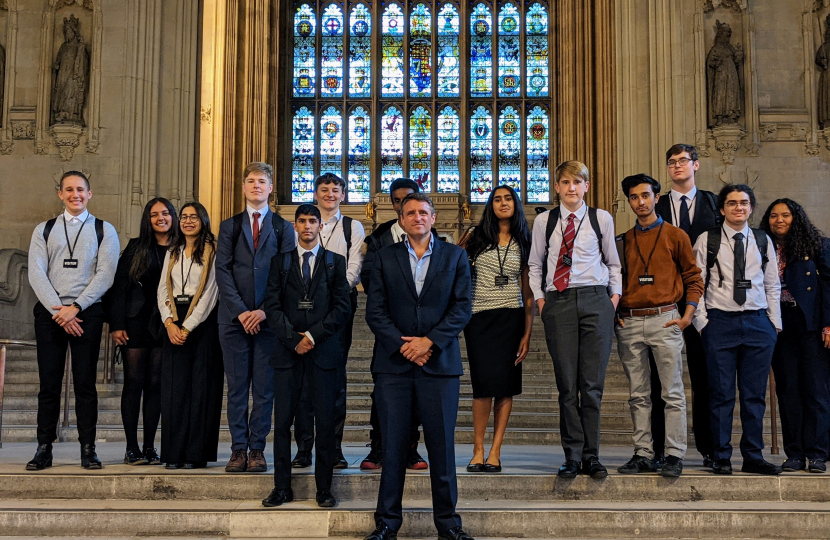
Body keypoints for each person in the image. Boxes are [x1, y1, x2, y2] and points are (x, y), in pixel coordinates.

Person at [364, 193, 473, 540]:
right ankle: (386, 524)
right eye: (410, 212)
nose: (417, 217)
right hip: (394, 367)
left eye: (423, 212)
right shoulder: (383, 258)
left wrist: (430, 342)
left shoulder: (455, 256)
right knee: (393, 448)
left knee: (441, 448)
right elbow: (375, 312)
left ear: (433, 216)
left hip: (439, 365)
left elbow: (462, 308)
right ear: (401, 218)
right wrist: (404, 345)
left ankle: (448, 525)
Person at [528, 160, 622, 479]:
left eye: (577, 182)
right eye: (565, 182)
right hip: (560, 302)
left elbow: (613, 263)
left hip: (596, 299)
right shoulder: (544, 221)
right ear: (557, 187)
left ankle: (592, 456)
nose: (571, 188)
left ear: (586, 186)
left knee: (592, 385)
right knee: (567, 385)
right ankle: (572, 455)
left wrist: (613, 300)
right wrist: (542, 300)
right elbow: (535, 265)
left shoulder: (601, 218)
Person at [26, 171, 119, 470]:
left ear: (90, 194)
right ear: (60, 194)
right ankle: (44, 448)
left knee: (85, 385)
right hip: (51, 312)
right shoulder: (44, 229)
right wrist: (59, 311)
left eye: (80, 189)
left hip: (87, 313)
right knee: (49, 385)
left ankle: (88, 449)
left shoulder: (105, 230)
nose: (74, 194)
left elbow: (106, 274)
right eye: (68, 189)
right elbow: (36, 272)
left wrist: (76, 307)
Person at [261, 204, 352, 508]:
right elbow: (271, 307)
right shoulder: (280, 263)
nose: (308, 226)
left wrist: (312, 336)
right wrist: (293, 339)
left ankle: (324, 489)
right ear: (295, 226)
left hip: (323, 352)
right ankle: (281, 488)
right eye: (302, 221)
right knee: (284, 421)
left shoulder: (335, 263)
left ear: (320, 226)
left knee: (324, 422)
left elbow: (342, 308)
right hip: (288, 354)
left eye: (313, 221)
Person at [614, 174, 704, 478]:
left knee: (672, 393)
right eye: (634, 197)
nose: (640, 202)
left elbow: (693, 278)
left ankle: (674, 454)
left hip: (665, 317)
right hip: (630, 321)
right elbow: (614, 281)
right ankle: (643, 453)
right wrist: (616, 313)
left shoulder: (676, 235)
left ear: (656, 197)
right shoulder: (623, 240)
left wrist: (688, 315)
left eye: (646, 195)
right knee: (638, 394)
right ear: (629, 202)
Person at [692, 184, 782, 476]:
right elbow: (698, 284)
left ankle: (753, 455)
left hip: (757, 323)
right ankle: (720, 456)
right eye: (732, 203)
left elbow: (771, 284)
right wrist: (703, 323)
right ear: (722, 209)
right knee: (721, 394)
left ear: (751, 207)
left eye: (744, 203)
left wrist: (774, 323)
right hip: (721, 323)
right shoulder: (708, 240)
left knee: (754, 396)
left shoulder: (762, 240)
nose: (738, 208)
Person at [216, 162, 296, 473]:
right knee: (237, 388)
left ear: (270, 188)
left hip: (268, 322)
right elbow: (222, 271)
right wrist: (241, 311)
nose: (256, 186)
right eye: (250, 181)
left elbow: (287, 273)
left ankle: (257, 450)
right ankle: (237, 449)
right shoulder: (230, 226)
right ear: (244, 187)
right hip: (234, 321)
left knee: (264, 389)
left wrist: (263, 310)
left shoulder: (282, 227)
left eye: (262, 181)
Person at [651, 144, 719, 467]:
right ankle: (661, 448)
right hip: (664, 299)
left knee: (704, 376)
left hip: (704, 301)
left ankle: (709, 447)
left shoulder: (715, 204)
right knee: (659, 378)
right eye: (672, 162)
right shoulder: (656, 204)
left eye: (683, 161)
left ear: (696, 165)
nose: (677, 166)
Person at [292, 173, 365, 470]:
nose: (330, 195)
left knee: (335, 381)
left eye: (336, 190)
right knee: (303, 381)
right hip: (302, 310)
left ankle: (333, 448)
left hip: (338, 309)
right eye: (324, 190)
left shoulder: (352, 226)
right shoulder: (300, 223)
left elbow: (355, 266)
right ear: (316, 192)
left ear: (343, 195)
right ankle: (303, 448)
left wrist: (330, 296)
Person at [461, 185, 533, 473]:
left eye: (508, 199)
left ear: (515, 204)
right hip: (478, 318)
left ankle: (495, 450)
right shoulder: (475, 238)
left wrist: (528, 333)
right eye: (497, 199)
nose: (503, 203)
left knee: (505, 387)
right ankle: (477, 448)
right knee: (482, 387)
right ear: (490, 205)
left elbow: (527, 293)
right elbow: (455, 270)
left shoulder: (525, 240)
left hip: (510, 318)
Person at [359, 177, 428, 471]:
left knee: (417, 396)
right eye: (399, 201)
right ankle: (379, 448)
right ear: (393, 204)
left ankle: (411, 449)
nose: (406, 205)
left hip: (422, 334)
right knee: (383, 394)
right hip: (389, 332)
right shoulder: (378, 239)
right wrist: (393, 334)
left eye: (410, 199)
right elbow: (370, 280)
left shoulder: (430, 236)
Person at [761, 199, 830, 473]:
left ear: (796, 217)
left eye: (785, 215)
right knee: (788, 391)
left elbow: (828, 288)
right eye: (774, 216)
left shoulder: (818, 245)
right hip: (779, 325)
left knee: (816, 392)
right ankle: (794, 453)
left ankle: (817, 453)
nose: (779, 220)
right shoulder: (762, 247)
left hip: (811, 325)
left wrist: (828, 325)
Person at [110, 198, 178, 465]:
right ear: (147, 220)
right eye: (154, 215)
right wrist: (116, 324)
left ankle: (150, 447)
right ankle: (131, 448)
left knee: (156, 386)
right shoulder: (136, 247)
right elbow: (119, 288)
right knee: (134, 384)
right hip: (136, 322)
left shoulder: (181, 247)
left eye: (165, 213)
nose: (160, 218)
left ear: (172, 216)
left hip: (165, 323)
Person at [157, 202, 223, 469]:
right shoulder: (173, 251)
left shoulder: (213, 251)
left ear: (203, 220)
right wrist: (170, 323)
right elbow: (163, 287)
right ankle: (173, 453)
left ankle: (196, 454)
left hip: (203, 325)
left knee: (200, 390)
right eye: (183, 217)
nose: (187, 221)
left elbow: (211, 293)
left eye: (193, 217)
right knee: (175, 391)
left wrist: (188, 326)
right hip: (174, 323)